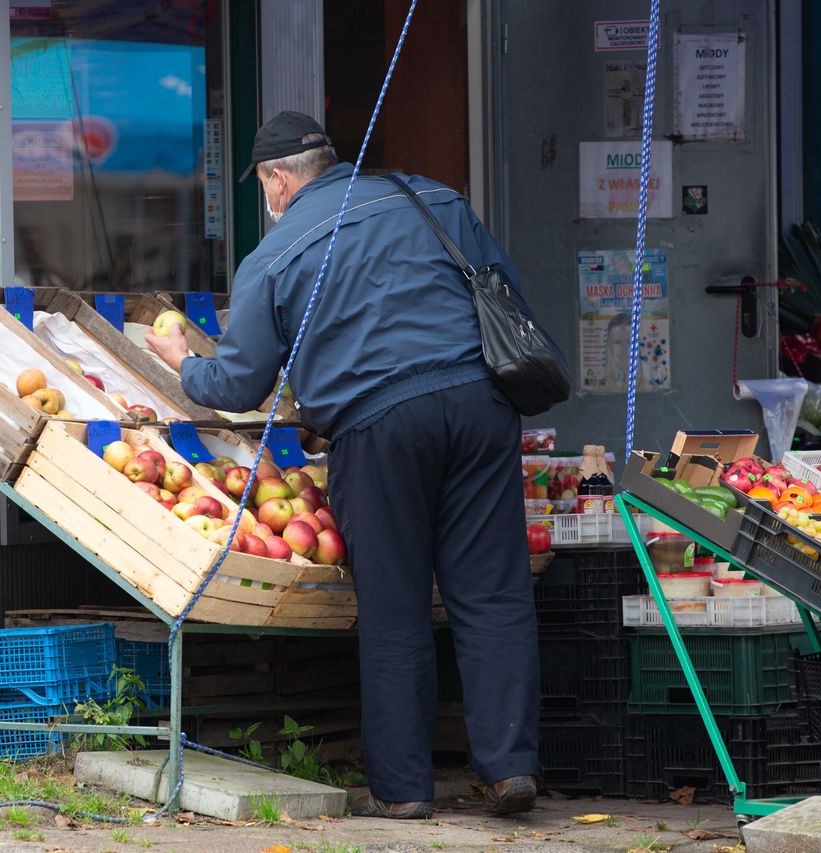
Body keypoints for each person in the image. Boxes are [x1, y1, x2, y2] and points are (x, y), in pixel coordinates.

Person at [146, 111, 540, 819]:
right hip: (479, 405)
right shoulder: (432, 197)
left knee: (394, 608)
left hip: (380, 424)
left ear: (276, 180)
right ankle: (510, 768)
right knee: (492, 592)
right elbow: (506, 290)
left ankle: (404, 789)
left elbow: (239, 386)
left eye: (263, 185)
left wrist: (185, 364)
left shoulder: (274, 254)